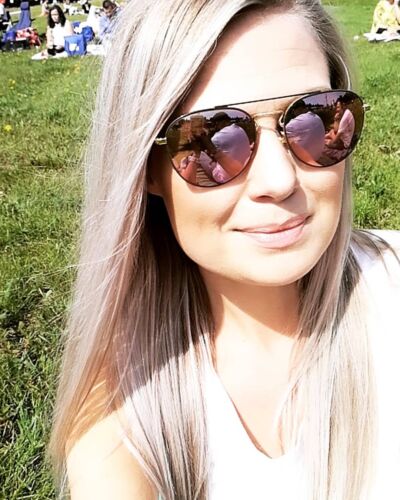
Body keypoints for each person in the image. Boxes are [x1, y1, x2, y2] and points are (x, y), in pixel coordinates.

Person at [48, 1, 400, 499]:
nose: (279, 180)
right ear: (145, 169)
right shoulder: (122, 407)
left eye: (316, 120)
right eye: (214, 140)